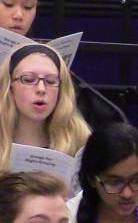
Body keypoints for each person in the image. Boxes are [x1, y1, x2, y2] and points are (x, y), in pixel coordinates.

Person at [0, 0, 126, 129]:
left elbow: (102, 116)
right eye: (8, 3)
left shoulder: (43, 60)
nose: (19, 15)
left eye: (29, 6)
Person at [0, 42, 91, 171]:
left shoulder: (80, 139)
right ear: (9, 87)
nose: (41, 89)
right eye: (28, 79)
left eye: (51, 81)